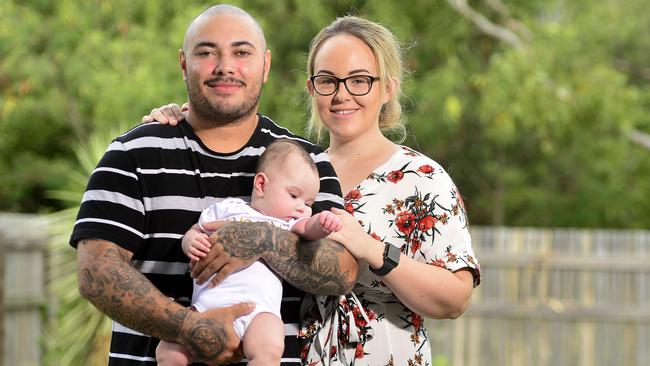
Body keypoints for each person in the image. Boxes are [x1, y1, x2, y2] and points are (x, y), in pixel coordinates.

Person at [146, 15, 481, 365]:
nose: (341, 95)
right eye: (327, 81)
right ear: (311, 87)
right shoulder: (291, 164)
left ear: (388, 89)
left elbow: (454, 300)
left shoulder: (421, 177)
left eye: (360, 80)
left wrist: (371, 249)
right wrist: (176, 120)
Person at [70, 4, 357, 366]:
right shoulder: (132, 155)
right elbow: (95, 272)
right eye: (206, 52)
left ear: (265, 65)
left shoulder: (307, 164)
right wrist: (189, 328)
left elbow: (343, 271)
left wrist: (262, 239)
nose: (225, 66)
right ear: (183, 63)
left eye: (241, 52)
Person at [156, 139, 343, 366]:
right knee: (169, 350)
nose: (302, 208)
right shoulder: (228, 209)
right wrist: (191, 242)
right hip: (207, 306)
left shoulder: (285, 227)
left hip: (258, 312)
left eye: (309, 202)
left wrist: (321, 223)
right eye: (294, 196)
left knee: (270, 349)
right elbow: (197, 229)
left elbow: (308, 229)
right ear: (261, 185)